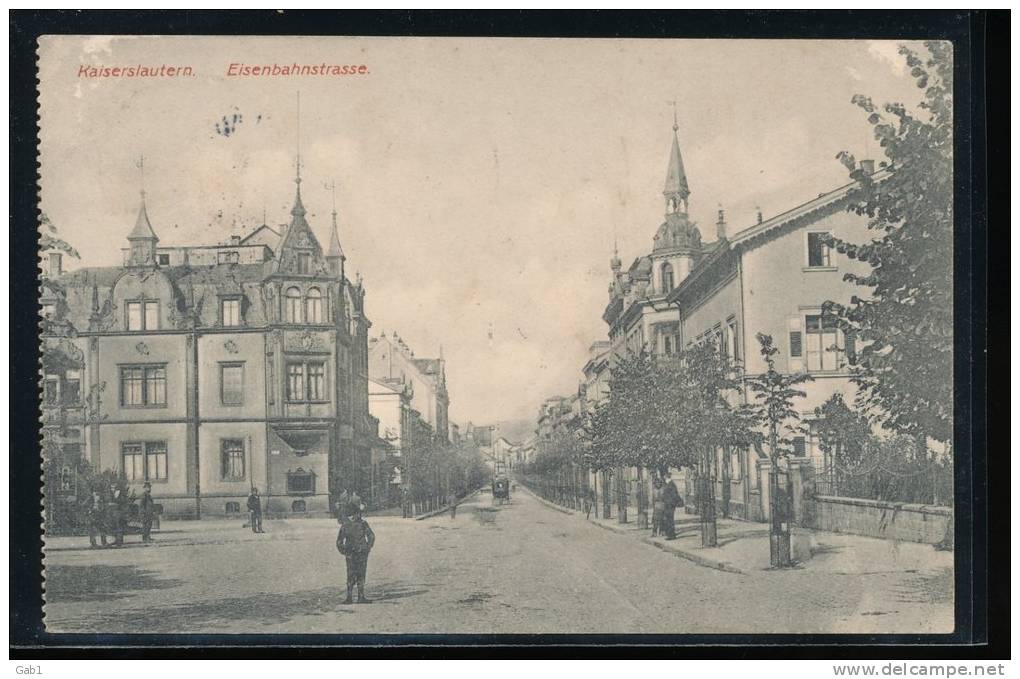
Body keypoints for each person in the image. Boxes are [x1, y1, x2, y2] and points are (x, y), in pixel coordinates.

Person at [336, 507, 375, 604]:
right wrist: (344, 550)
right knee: (351, 574)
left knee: (361, 574)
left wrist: (368, 547)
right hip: (352, 553)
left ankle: (360, 596)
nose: (354, 516)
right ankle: (349, 597)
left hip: (361, 552)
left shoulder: (362, 524)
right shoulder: (346, 526)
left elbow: (371, 536)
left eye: (356, 514)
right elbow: (339, 541)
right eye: (351, 515)